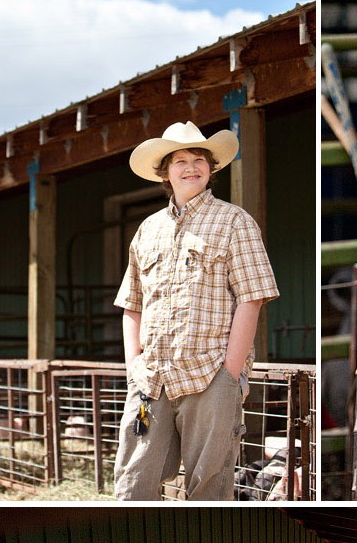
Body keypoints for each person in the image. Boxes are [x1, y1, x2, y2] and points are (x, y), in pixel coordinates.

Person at [113, 120, 280, 501]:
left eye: (199, 160)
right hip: (151, 379)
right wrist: (134, 369)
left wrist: (229, 374)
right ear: (165, 173)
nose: (191, 167)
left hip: (209, 375)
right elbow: (131, 305)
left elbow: (251, 299)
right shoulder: (147, 229)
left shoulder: (235, 221)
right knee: (132, 482)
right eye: (180, 161)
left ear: (211, 169)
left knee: (209, 486)